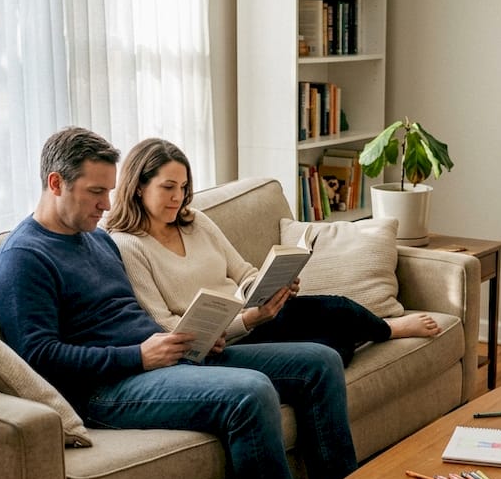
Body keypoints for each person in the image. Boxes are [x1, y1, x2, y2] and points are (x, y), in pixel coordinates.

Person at [0, 126, 359, 479]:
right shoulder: (24, 259)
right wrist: (139, 355)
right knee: (250, 394)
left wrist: (190, 339)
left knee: (319, 363)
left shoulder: (95, 240)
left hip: (164, 357)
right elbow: (37, 356)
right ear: (56, 183)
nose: (105, 206)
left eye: (109, 191)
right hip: (108, 389)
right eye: (95, 192)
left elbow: (134, 313)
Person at [102, 137, 438, 365]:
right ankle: (388, 330)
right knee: (329, 349)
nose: (179, 197)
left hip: (255, 317)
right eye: (168, 187)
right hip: (221, 341)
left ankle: (381, 329)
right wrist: (245, 321)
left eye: (185, 187)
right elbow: (165, 326)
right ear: (138, 187)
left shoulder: (196, 221)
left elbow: (244, 272)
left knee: (336, 309)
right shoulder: (127, 243)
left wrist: (268, 288)